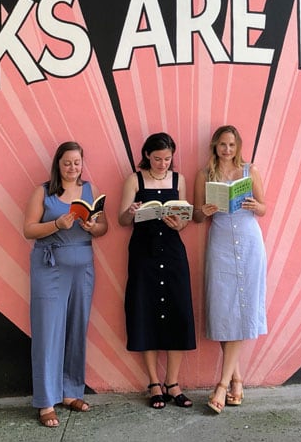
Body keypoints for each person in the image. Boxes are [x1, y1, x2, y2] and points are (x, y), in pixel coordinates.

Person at [23, 141, 109, 428]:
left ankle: (71, 392)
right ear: (57, 164)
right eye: (67, 163)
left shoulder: (91, 190)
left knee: (76, 328)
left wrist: (91, 226)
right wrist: (56, 226)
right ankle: (46, 401)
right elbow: (29, 229)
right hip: (50, 267)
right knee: (48, 333)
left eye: (77, 162)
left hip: (83, 268)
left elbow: (103, 227)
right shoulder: (43, 191)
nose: (73, 168)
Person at [193, 124, 267, 414]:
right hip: (221, 243)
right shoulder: (204, 175)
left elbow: (264, 208)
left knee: (241, 307)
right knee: (225, 309)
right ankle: (236, 379)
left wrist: (252, 204)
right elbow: (197, 216)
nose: (227, 150)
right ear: (215, 146)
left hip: (249, 243)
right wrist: (206, 211)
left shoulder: (250, 171)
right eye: (222, 145)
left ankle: (222, 385)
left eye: (232, 145)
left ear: (238, 147)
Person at [119, 132, 196, 409]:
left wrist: (179, 223)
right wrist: (132, 210)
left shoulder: (180, 180)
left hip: (173, 252)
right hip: (144, 253)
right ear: (147, 156)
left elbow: (184, 217)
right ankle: (154, 382)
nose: (163, 164)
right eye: (157, 159)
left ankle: (173, 382)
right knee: (146, 311)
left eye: (167, 159)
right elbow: (121, 218)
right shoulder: (134, 179)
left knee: (177, 311)